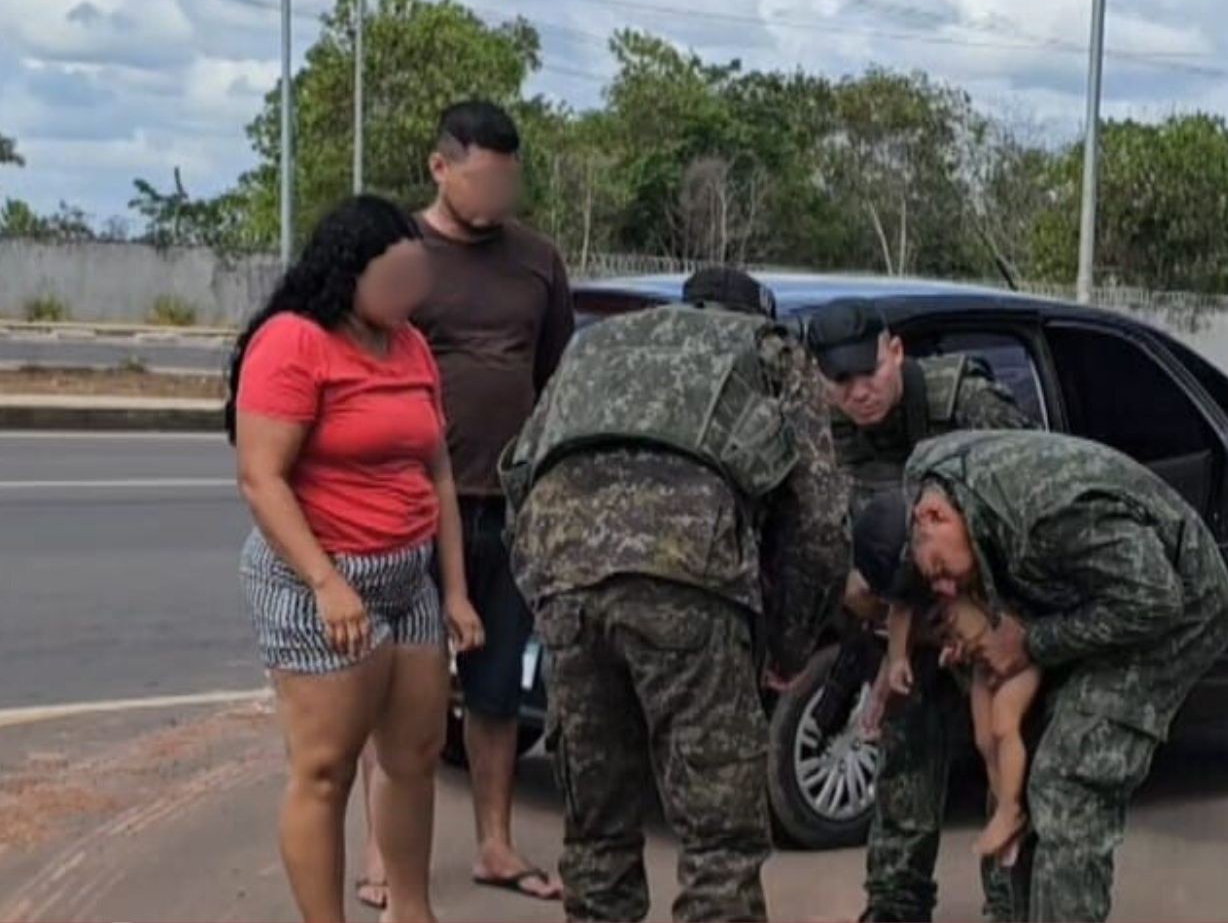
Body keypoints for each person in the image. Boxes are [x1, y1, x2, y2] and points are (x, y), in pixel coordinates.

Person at [501, 267, 850, 922]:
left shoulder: (600, 344)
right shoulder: (770, 349)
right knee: (719, 844)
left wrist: (545, 592)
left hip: (566, 578)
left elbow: (520, 471)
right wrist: (787, 642)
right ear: (756, 312)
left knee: (597, 833)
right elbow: (821, 521)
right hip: (689, 584)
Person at [230, 195, 485, 923]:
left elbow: (436, 472)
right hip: (321, 582)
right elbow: (261, 478)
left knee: (415, 756)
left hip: (409, 581)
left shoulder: (408, 345)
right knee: (324, 769)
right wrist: (327, 583)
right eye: (397, 278)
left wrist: (457, 591)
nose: (413, 295)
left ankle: (410, 910)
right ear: (349, 271)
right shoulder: (292, 341)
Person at [357, 99, 574, 908]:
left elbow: (551, 377)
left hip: (507, 507)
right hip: (407, 511)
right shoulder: (394, 256)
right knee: (396, 693)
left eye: (506, 181)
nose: (494, 197)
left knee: (495, 692)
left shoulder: (538, 261)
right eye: (480, 178)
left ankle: (494, 843)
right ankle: (382, 856)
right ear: (440, 167)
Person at [901, 430, 1228, 923]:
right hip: (1084, 598)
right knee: (1022, 764)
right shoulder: (929, 481)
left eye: (941, 571)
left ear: (933, 516)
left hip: (1178, 609)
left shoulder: (1049, 517)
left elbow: (1154, 599)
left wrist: (1030, 642)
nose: (945, 586)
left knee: (1067, 780)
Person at [802, 296, 1032, 923]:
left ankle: (1010, 905)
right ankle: (895, 903)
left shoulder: (966, 404)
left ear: (895, 352)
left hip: (991, 618)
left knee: (1005, 758)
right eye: (840, 381)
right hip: (906, 622)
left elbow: (1028, 513)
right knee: (903, 760)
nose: (858, 393)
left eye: (869, 373)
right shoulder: (821, 431)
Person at [854, 493, 1041, 868]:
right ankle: (1003, 810)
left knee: (1005, 724)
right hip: (980, 662)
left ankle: (1010, 809)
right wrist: (900, 660)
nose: (939, 580)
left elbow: (1009, 618)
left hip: (1017, 657)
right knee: (985, 738)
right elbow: (901, 607)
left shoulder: (986, 542)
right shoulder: (929, 568)